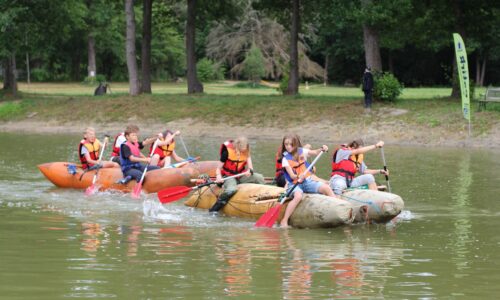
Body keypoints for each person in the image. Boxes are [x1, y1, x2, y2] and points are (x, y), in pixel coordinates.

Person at [279, 134, 336, 228]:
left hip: (306, 181)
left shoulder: (302, 151)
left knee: (326, 188)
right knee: (298, 196)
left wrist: (322, 148)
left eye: (291, 144)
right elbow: (292, 176)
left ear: (296, 144)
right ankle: (284, 220)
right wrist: (298, 175)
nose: (288, 146)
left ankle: (338, 206)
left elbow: (315, 152)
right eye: (286, 144)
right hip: (294, 184)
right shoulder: (285, 159)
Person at [209, 137, 266, 213]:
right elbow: (218, 169)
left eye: (245, 149)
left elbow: (251, 169)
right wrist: (218, 176)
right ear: (237, 146)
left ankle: (264, 198)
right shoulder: (227, 152)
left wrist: (249, 171)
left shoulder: (246, 151)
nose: (244, 151)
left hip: (240, 176)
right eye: (242, 149)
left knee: (259, 178)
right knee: (231, 190)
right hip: (228, 176)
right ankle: (214, 209)